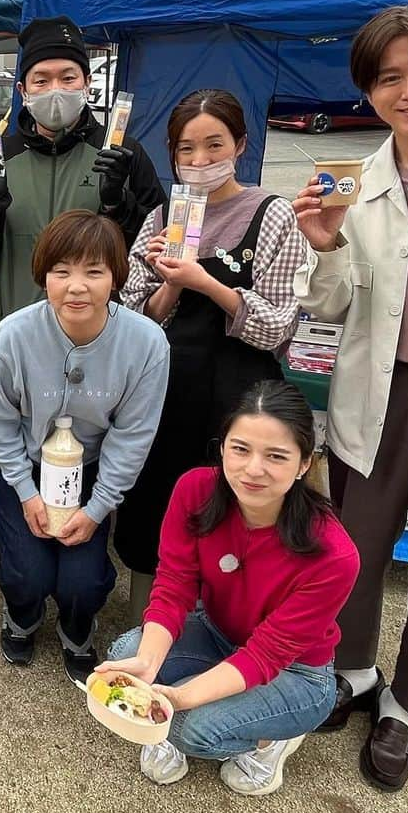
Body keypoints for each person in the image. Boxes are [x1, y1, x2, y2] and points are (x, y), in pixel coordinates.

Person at [293, 0, 408, 792]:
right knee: (351, 551)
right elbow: (328, 308)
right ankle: (352, 669)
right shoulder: (353, 185)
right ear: (368, 93)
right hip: (376, 392)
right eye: (390, 77)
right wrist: (324, 246)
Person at [101, 382, 359, 796]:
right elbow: (174, 584)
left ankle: (270, 741)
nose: (253, 469)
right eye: (240, 449)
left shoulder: (333, 554)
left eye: (276, 456)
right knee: (127, 658)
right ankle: (202, 704)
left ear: (304, 464)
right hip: (218, 633)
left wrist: (177, 702)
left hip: (297, 671)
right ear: (222, 448)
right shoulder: (196, 489)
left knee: (190, 729)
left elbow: (266, 654)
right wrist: (149, 665)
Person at [119, 89, 306, 619]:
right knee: (159, 500)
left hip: (242, 399)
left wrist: (207, 281)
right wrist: (172, 283)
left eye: (213, 145)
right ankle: (148, 621)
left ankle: (228, 625)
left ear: (240, 145)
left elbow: (278, 326)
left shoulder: (271, 215)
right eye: (185, 150)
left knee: (234, 509)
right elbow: (133, 319)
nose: (199, 162)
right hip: (167, 393)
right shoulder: (161, 218)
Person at [0, 210, 169, 688]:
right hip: (22, 462)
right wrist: (26, 492)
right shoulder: (10, 337)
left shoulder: (147, 343)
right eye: (61, 271)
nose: (76, 286)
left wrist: (100, 505)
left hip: (90, 467)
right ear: (43, 274)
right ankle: (20, 615)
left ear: (116, 276)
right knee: (29, 573)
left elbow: (132, 436)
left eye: (94, 271)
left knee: (82, 581)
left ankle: (77, 628)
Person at [0, 15, 166, 326]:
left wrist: (117, 204)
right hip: (18, 326)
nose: (55, 90)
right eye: (41, 80)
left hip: (100, 331)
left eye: (67, 78)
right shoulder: (0, 155)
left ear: (86, 81)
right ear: (22, 89)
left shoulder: (122, 153)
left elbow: (155, 245)